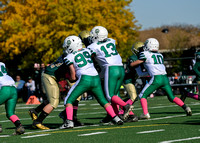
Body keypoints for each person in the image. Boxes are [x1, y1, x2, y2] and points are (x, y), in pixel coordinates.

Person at [60, 35, 123, 129]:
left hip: (84, 79)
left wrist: (70, 79)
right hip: (96, 78)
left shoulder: (69, 56)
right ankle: (116, 118)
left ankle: (69, 122)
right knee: (103, 100)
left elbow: (73, 76)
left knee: (68, 100)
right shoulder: (87, 50)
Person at [130, 38, 192, 119]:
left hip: (156, 78)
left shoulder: (145, 54)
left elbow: (135, 63)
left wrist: (131, 64)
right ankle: (186, 108)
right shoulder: (160, 55)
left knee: (142, 95)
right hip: (165, 78)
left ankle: (145, 113)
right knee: (171, 97)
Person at [87, 26, 133, 123]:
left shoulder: (93, 46)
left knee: (109, 96)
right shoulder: (111, 41)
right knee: (114, 95)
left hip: (111, 69)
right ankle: (115, 116)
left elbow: (89, 56)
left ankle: (125, 106)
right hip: (121, 67)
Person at [120, 42, 149, 122]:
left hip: (132, 80)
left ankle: (125, 109)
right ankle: (122, 112)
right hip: (127, 80)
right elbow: (132, 64)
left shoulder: (143, 56)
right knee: (133, 97)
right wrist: (142, 61)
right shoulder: (134, 57)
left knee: (134, 98)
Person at [0, 62, 25, 135]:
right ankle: (19, 126)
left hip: (4, 88)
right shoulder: (2, 64)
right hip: (13, 88)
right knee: (10, 113)